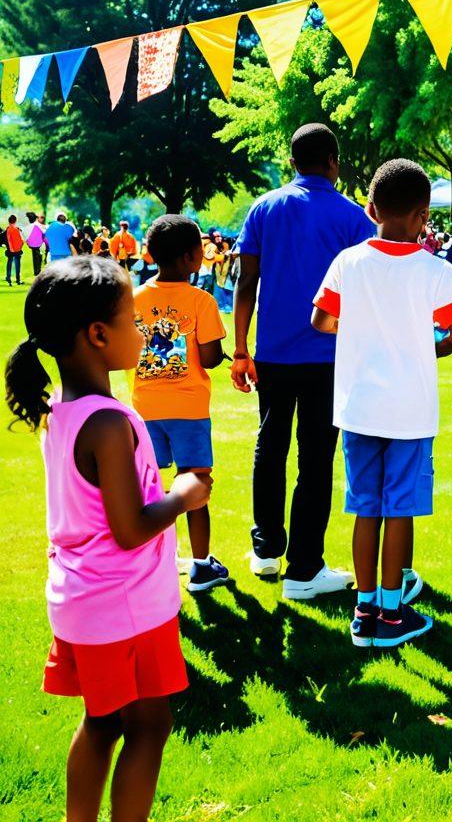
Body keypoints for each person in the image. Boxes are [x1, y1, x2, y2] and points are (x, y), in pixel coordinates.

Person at [5, 257, 209, 822]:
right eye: (133, 320)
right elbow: (131, 528)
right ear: (98, 335)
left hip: (83, 602)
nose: (143, 332)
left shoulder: (62, 411)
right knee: (149, 725)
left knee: (101, 722)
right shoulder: (107, 423)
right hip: (125, 606)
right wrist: (185, 493)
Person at [311, 158, 452, 646]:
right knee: (399, 508)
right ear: (424, 215)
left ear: (370, 207)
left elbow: (320, 321)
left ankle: (363, 612)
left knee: (366, 507)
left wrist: (360, 331)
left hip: (358, 406)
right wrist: (433, 346)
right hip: (409, 407)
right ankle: (392, 613)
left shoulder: (348, 261)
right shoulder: (435, 269)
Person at [233, 123, 375, 597]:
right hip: (329, 355)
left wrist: (240, 347)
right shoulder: (354, 217)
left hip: (273, 352)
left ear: (292, 162)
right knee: (316, 458)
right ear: (334, 162)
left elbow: (245, 282)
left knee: (269, 448)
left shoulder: (264, 207)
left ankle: (267, 550)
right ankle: (305, 568)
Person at [132, 215, 228, 594]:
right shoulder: (200, 300)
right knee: (195, 482)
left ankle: (153, 564)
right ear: (193, 258)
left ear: (151, 255)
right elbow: (207, 357)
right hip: (188, 407)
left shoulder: (134, 298)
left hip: (145, 407)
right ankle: (202, 565)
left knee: (150, 488)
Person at [26, 211, 47, 276]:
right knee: (39, 257)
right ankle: (38, 271)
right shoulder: (38, 225)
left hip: (32, 244)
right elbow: (44, 233)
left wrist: (28, 242)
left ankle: (36, 271)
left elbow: (26, 236)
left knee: (35, 257)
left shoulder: (29, 226)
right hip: (39, 244)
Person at [5, 213, 24, 285]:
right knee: (17, 264)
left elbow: (9, 240)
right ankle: (18, 280)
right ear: (15, 221)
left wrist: (11, 248)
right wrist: (20, 247)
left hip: (10, 250)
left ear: (9, 221)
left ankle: (8, 277)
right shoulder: (16, 229)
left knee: (9, 263)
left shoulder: (8, 229)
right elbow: (21, 240)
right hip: (17, 250)